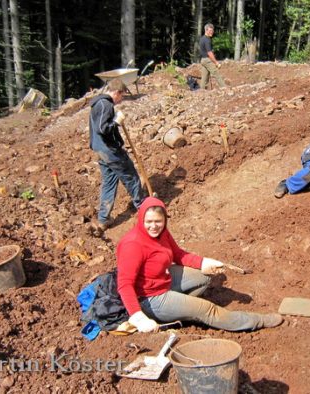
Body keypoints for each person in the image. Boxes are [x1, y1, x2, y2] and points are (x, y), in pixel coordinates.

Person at [116, 197, 283, 332]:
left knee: (205, 276)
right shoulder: (133, 244)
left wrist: (203, 262)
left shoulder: (162, 233)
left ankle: (182, 309)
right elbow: (124, 285)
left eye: (158, 221)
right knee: (207, 309)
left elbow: (178, 254)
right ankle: (256, 321)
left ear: (165, 220)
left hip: (162, 279)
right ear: (141, 219)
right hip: (150, 299)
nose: (154, 226)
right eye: (149, 221)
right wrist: (137, 316)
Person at [88, 79, 147, 231]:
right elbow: (103, 128)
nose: (120, 100)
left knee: (109, 183)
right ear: (116, 92)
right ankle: (144, 208)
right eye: (121, 96)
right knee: (131, 176)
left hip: (102, 150)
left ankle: (103, 219)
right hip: (110, 151)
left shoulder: (98, 103)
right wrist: (117, 121)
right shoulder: (105, 104)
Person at [198, 23, 226, 90]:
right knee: (216, 73)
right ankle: (225, 88)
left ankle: (201, 91)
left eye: (212, 31)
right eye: (210, 30)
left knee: (204, 77)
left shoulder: (202, 38)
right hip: (207, 60)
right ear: (206, 30)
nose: (212, 32)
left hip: (203, 60)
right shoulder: (207, 40)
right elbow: (209, 52)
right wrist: (216, 62)